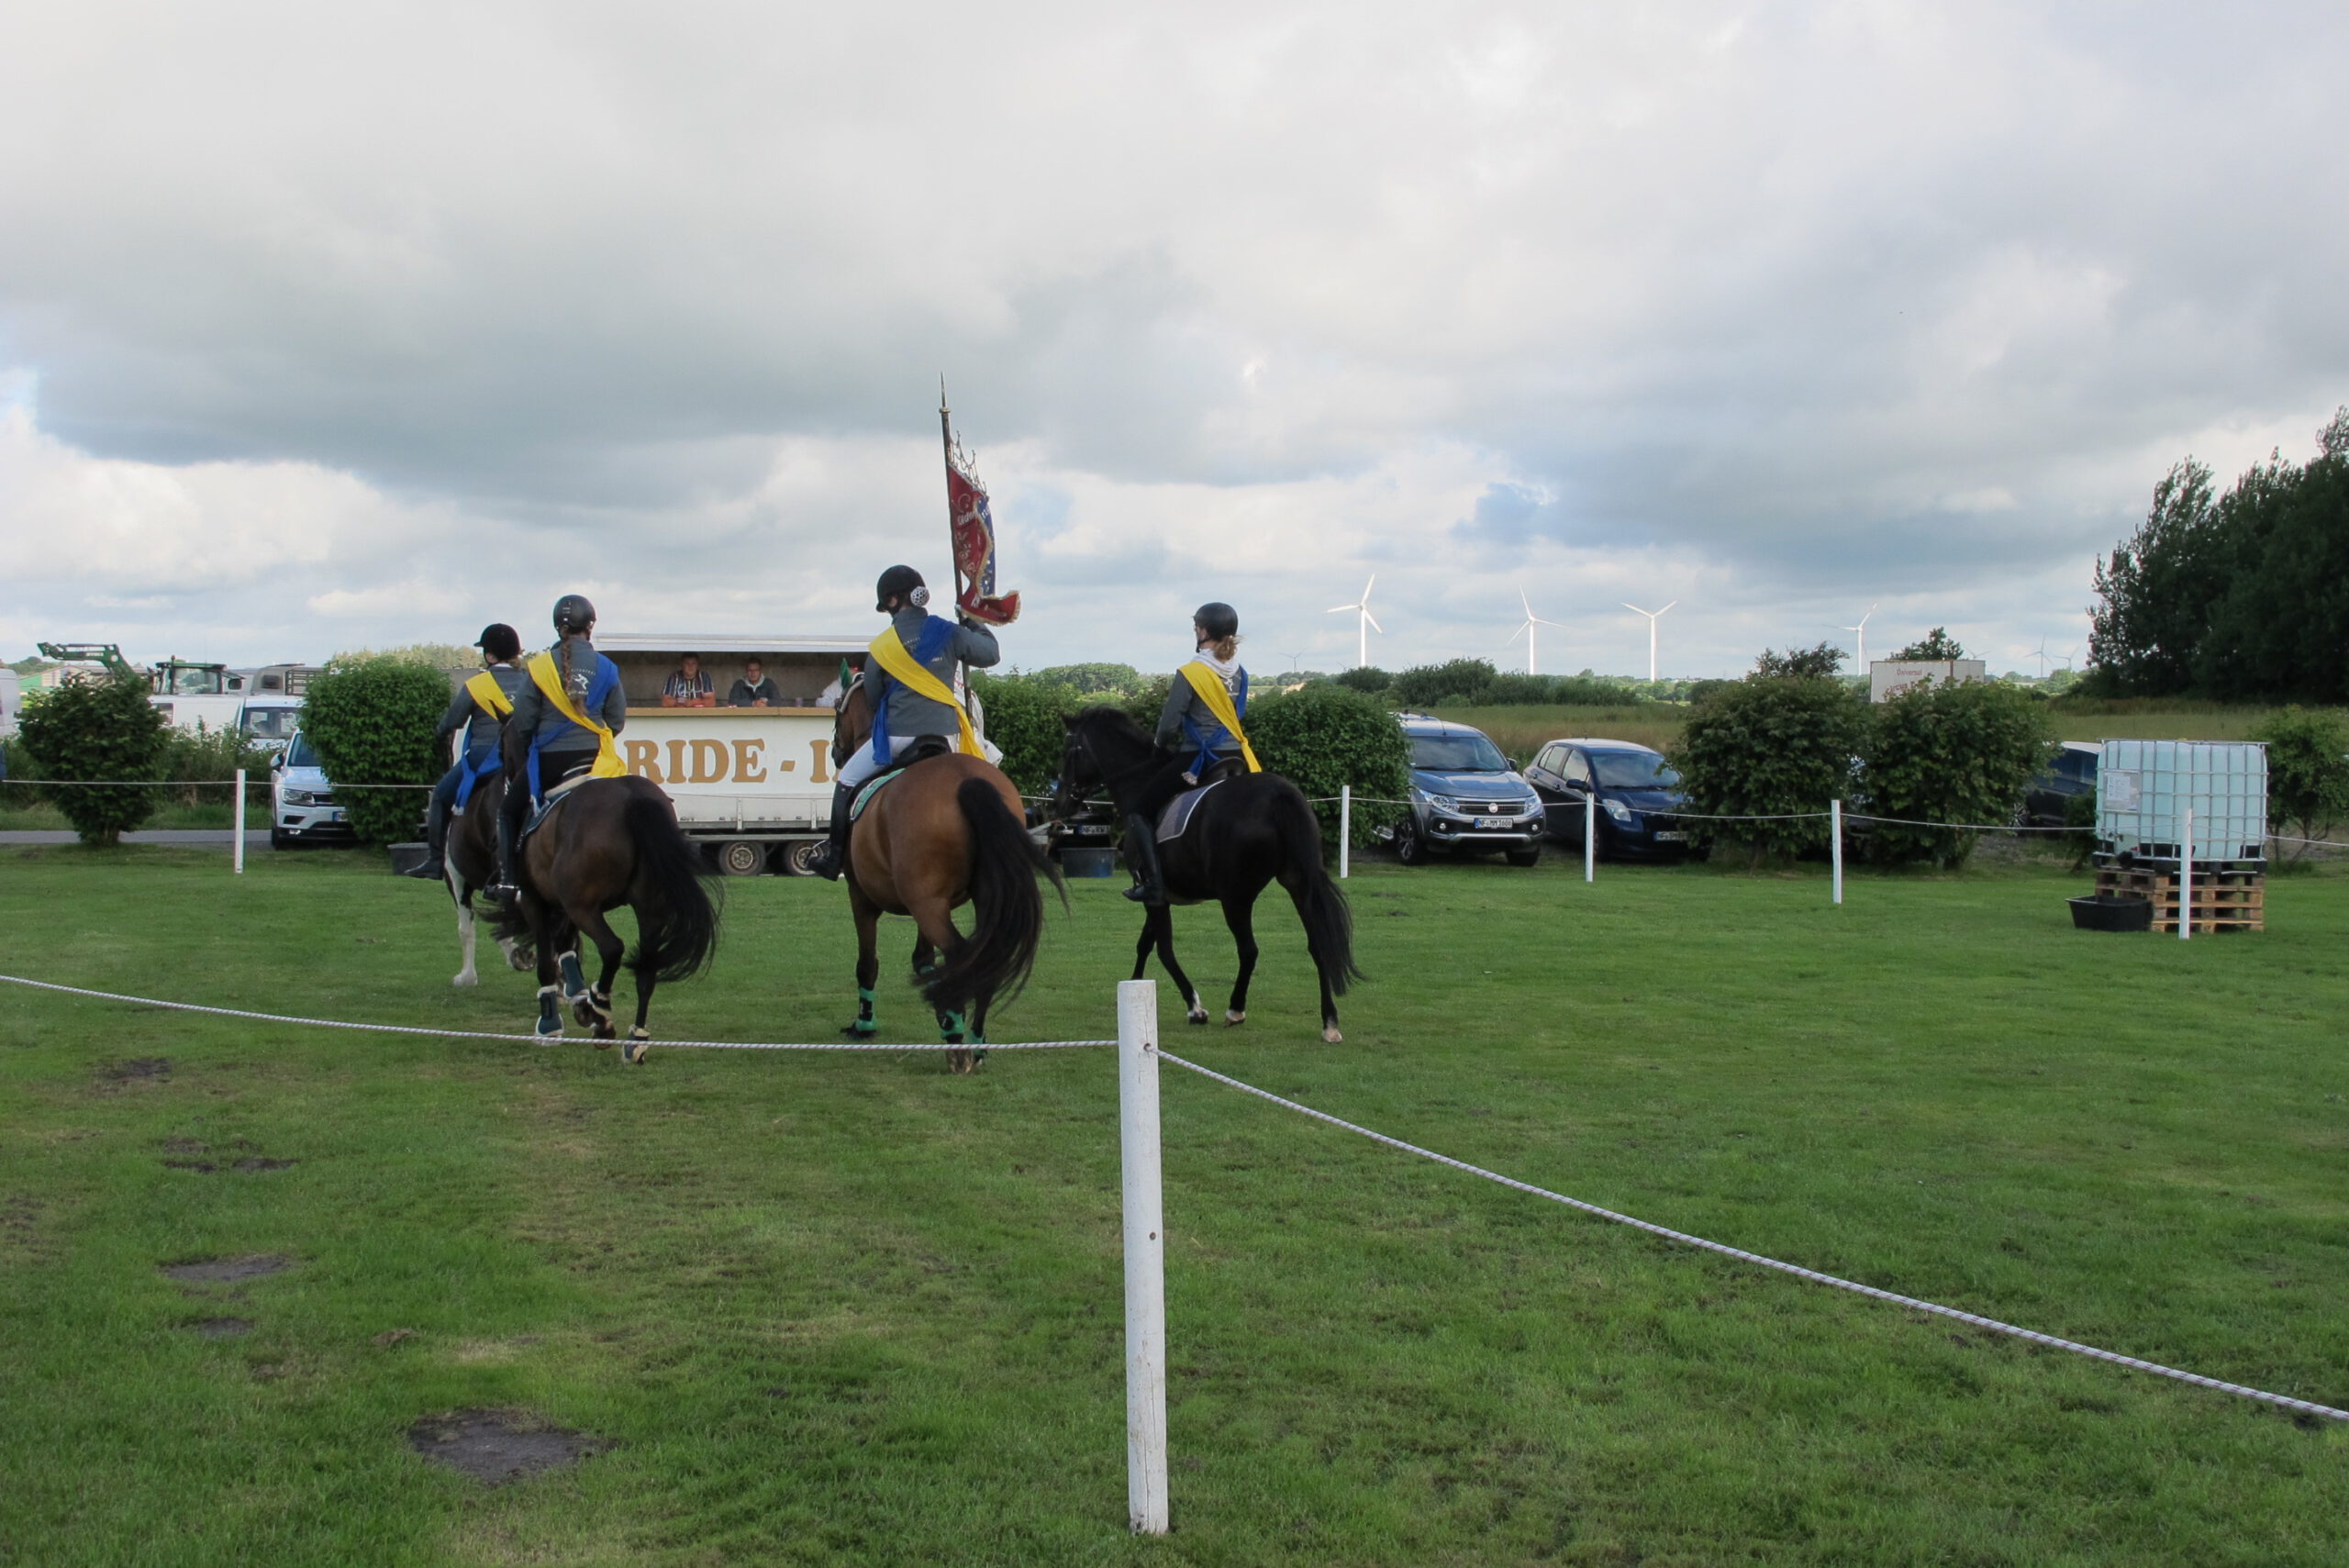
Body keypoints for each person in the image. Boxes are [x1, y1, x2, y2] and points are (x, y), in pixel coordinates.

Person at [807, 565, 999, 880]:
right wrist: (971, 622)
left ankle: (834, 858)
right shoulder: (949, 632)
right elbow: (990, 654)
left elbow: (873, 697)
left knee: (847, 781)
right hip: (947, 737)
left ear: (893, 601)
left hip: (898, 739)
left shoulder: (882, 648)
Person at [487, 595, 629, 906]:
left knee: (508, 811)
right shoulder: (608, 668)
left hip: (551, 761)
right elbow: (616, 722)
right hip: (594, 761)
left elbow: (523, 723)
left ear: (558, 627)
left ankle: (508, 882)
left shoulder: (539, 667)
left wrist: (535, 743)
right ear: (590, 625)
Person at [1125, 602, 1261, 903]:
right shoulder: (1240, 673)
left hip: (1197, 759)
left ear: (1203, 631)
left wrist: (1159, 746)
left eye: (1196, 627)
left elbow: (1169, 723)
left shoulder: (1191, 672)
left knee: (1140, 810)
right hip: (1237, 757)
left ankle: (1154, 884)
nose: (1195, 631)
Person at [406, 623, 529, 882]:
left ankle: (435, 861)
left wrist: (440, 731)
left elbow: (452, 722)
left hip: (485, 757)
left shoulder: (477, 685)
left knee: (440, 796)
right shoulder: (531, 682)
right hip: (523, 759)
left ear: (490, 656)